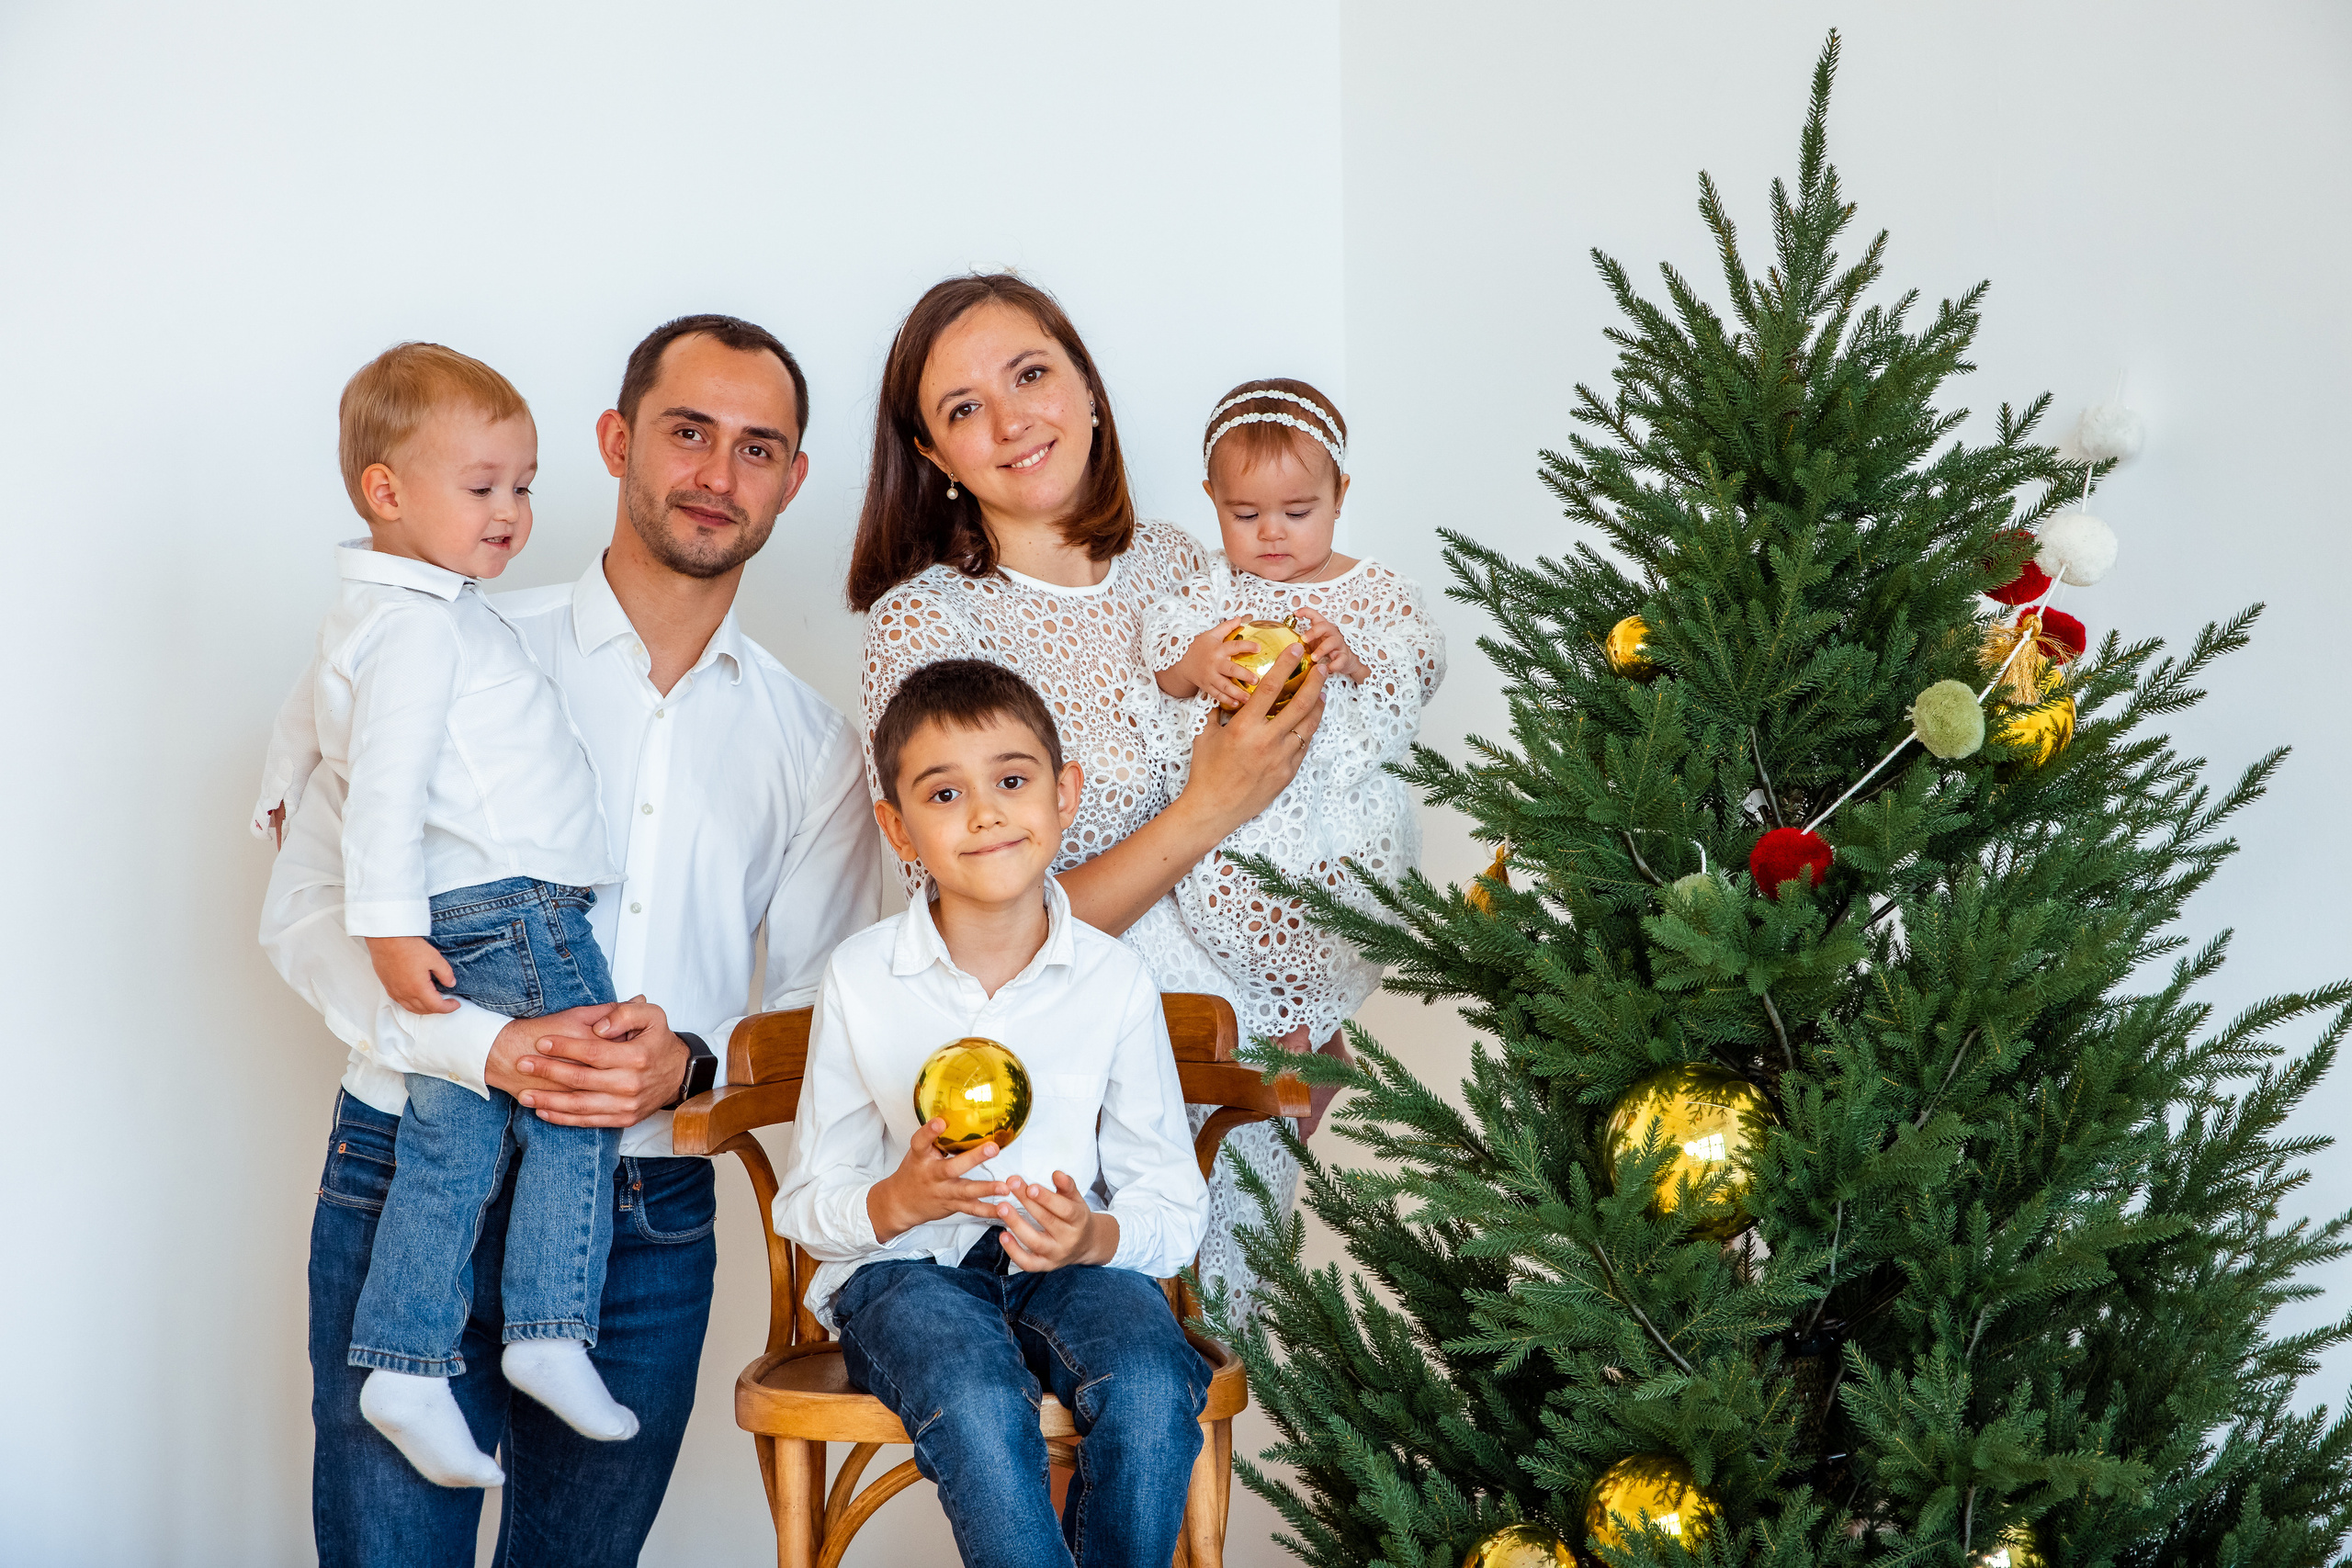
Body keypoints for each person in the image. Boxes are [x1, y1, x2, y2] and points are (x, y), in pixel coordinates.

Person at [257, 314, 883, 1568]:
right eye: (687, 430)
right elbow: (307, 908)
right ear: (617, 440)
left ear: (795, 481)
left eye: (758, 446)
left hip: (644, 1214)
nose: (718, 471)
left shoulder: (815, 746)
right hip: (410, 1167)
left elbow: (830, 1004)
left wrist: (695, 1064)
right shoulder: (445, 634)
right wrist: (487, 1048)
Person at [849, 273, 1326, 1310]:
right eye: (964, 409)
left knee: (1220, 1387)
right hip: (1061, 1082)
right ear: (932, 457)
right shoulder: (926, 631)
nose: (1013, 420)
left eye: (1032, 374)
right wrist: (1207, 806)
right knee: (1088, 1403)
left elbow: (1304, 798)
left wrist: (1311, 1007)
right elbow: (979, 923)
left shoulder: (1187, 567)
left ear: (1089, 388)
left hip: (1241, 1054)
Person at [261, 342, 641, 1491]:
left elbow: (312, 737)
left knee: (455, 1135)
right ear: (387, 491)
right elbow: (381, 780)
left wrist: (275, 792)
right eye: (482, 487)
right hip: (514, 909)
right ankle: (548, 1331)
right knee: (583, 1096)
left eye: (524, 486)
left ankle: (408, 1359)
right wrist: (384, 926)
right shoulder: (425, 627)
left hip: (473, 910)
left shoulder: (384, 615)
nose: (514, 513)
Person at [775, 659, 1213, 1568]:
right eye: (944, 794)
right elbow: (808, 1201)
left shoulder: (1113, 981)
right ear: (898, 827)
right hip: (905, 1274)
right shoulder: (861, 978)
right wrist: (898, 1199)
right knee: (975, 1398)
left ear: (1064, 796)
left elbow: (1171, 1206)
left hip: (1069, 1268)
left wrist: (1091, 1237)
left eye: (1012, 781)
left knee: (1146, 1381)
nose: (984, 814)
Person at [1140, 377, 1445, 1171]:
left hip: (1337, 822)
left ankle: (1313, 1036)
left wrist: (1354, 654)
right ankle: (1302, 1046)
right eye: (1245, 515)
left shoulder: (1370, 587)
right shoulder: (1212, 587)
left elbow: (1421, 658)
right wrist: (1199, 657)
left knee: (1320, 927)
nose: (1272, 535)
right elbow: (1161, 650)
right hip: (1240, 823)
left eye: (1298, 512)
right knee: (1233, 927)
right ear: (1212, 500)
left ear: (1341, 494)